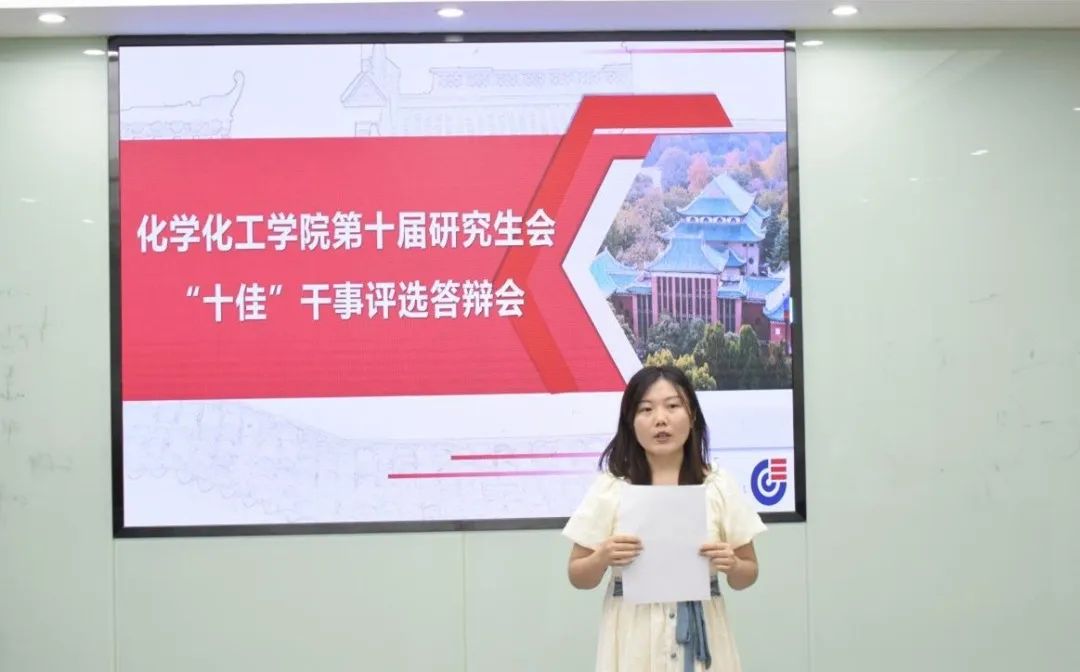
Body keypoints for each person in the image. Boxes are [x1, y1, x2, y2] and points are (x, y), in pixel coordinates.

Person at [562, 365, 766, 672]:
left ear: (692, 415)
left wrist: (733, 565)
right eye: (646, 409)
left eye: (672, 406)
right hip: (633, 639)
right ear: (630, 422)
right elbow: (578, 576)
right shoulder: (612, 487)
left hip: (703, 632)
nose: (661, 419)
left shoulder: (717, 485)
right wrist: (602, 556)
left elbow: (747, 574)